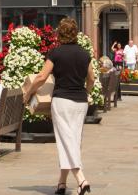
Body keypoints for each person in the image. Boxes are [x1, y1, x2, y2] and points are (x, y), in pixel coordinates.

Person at [25, 17, 93, 195]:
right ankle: (61, 183)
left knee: (65, 139)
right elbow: (91, 78)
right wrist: (88, 92)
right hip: (81, 101)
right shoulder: (85, 54)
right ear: (75, 32)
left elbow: (41, 77)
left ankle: (81, 179)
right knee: (72, 139)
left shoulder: (56, 53)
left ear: (59, 33)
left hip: (62, 100)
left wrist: (28, 93)